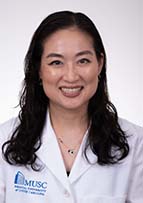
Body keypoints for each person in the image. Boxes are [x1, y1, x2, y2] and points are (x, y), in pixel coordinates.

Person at [0, 10, 143, 203]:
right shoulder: (4, 140)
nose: (71, 76)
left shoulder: (136, 144)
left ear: (99, 64)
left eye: (83, 60)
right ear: (38, 69)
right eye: (56, 62)